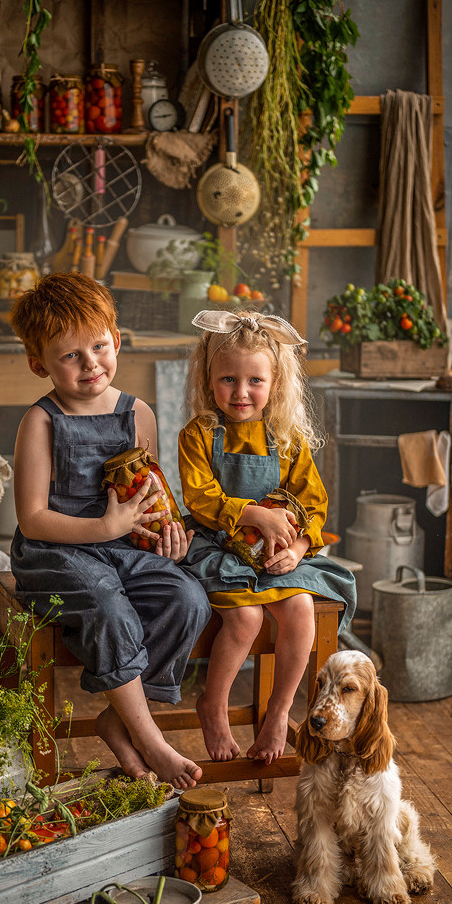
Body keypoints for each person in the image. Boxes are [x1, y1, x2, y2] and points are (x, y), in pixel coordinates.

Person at [10, 273, 211, 790]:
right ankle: (152, 741)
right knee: (106, 601)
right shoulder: (41, 423)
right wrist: (104, 525)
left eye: (99, 346)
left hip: (121, 549)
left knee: (187, 597)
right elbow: (31, 517)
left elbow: (152, 496)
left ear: (117, 341)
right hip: (54, 555)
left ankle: (117, 722)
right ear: (39, 365)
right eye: (69, 356)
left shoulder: (137, 413)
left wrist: (167, 537)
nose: (90, 364)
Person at [178, 308, 357, 766]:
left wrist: (297, 548)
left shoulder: (288, 439)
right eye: (228, 380)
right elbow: (201, 498)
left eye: (255, 381)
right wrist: (255, 514)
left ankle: (279, 713)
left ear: (275, 382)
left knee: (299, 611)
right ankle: (212, 705)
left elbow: (314, 505)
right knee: (247, 620)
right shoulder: (199, 434)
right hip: (220, 548)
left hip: (278, 556)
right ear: (208, 378)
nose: (241, 392)